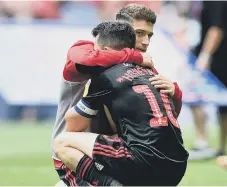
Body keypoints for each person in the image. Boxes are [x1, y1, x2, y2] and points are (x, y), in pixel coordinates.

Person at [52, 3, 183, 186]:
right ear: (123, 30)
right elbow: (86, 59)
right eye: (139, 33)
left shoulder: (141, 68)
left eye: (149, 35)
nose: (146, 41)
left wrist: (175, 92)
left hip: (116, 150)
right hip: (76, 151)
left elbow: (163, 118)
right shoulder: (86, 48)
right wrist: (133, 56)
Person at [188, 1, 227, 160]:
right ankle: (212, 145)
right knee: (195, 98)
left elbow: (216, 29)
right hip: (207, 55)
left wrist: (205, 56)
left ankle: (211, 145)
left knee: (222, 105)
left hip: (218, 58)